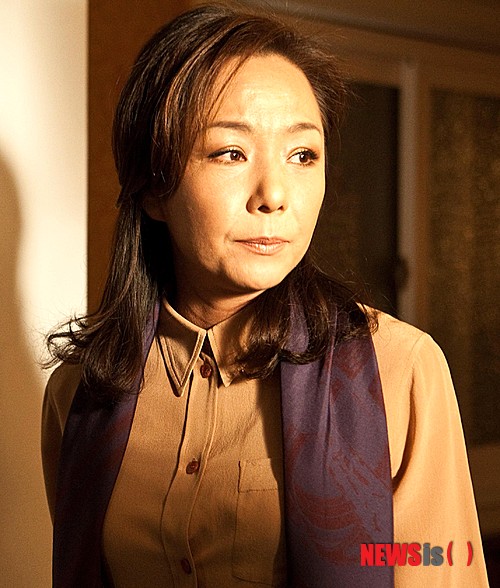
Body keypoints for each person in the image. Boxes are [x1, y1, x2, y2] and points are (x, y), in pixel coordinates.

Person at [41, 4, 489, 587]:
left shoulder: (399, 370)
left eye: (302, 155)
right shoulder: (80, 391)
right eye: (230, 152)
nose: (274, 194)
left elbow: (440, 565)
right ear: (153, 187)